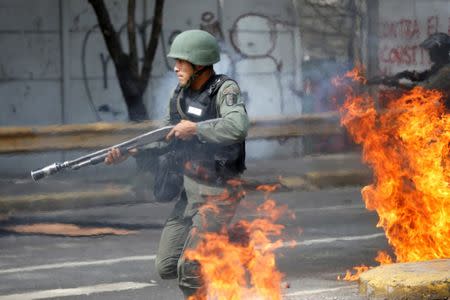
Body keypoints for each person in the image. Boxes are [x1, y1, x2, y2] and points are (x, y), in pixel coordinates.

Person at [104, 29, 249, 298]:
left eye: (181, 62)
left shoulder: (225, 89)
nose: (176, 67)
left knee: (190, 268)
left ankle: (215, 256)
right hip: (190, 190)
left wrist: (195, 129)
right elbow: (165, 136)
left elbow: (237, 126)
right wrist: (131, 151)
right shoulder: (180, 95)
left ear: (200, 63)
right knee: (167, 266)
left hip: (219, 192)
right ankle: (220, 254)